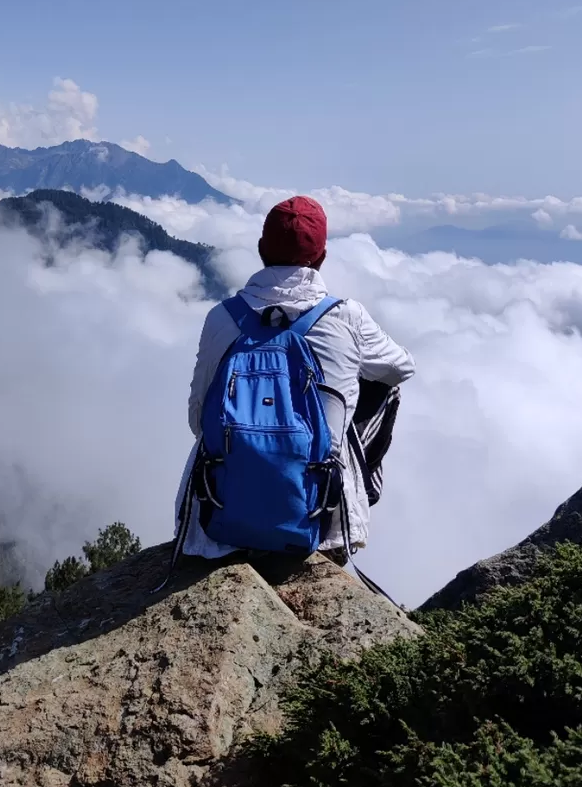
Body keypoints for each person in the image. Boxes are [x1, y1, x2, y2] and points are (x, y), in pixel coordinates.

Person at [177, 195, 415, 565]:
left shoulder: (220, 318)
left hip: (217, 513)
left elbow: (198, 419)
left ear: (261, 250)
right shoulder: (347, 317)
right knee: (385, 386)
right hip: (317, 518)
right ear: (321, 257)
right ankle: (349, 491)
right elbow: (402, 367)